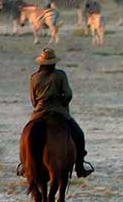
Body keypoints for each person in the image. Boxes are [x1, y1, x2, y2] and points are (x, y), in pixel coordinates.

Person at [25, 47, 93, 178]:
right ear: (54, 62)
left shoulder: (34, 78)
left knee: (27, 137)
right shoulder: (60, 75)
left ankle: (24, 165)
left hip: (39, 112)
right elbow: (68, 95)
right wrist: (62, 101)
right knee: (79, 135)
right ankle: (80, 166)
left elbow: (33, 100)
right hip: (59, 111)